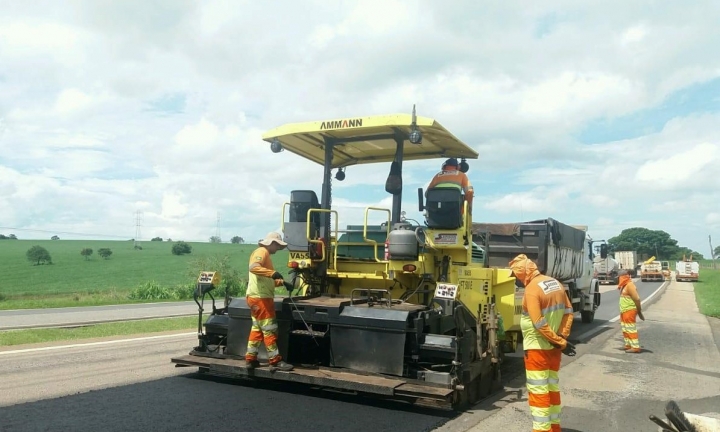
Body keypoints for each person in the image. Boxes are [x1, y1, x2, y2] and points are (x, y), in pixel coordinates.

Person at [510, 254, 576, 432]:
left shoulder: (531, 290)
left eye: (516, 275)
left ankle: (542, 430)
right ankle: (554, 428)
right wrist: (561, 338)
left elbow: (538, 323)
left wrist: (558, 341)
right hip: (553, 349)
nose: (516, 279)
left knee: (538, 392)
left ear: (523, 273)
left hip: (536, 349)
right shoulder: (555, 283)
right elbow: (569, 312)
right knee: (551, 388)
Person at [245, 232, 294, 371]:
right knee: (269, 330)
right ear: (272, 243)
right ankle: (275, 361)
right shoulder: (262, 251)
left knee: (257, 329)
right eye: (278, 245)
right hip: (261, 299)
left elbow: (266, 280)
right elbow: (253, 267)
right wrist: (272, 273)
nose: (278, 249)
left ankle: (251, 359)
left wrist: (282, 282)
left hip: (255, 298)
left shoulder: (265, 255)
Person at [617, 269, 644, 353]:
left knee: (630, 329)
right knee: (625, 328)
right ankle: (628, 345)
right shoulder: (624, 285)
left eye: (619, 278)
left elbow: (637, 298)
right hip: (624, 311)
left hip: (629, 310)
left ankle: (635, 347)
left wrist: (639, 311)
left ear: (622, 277)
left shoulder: (630, 285)